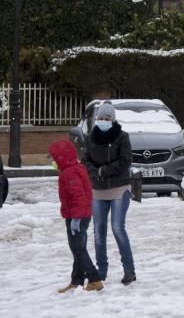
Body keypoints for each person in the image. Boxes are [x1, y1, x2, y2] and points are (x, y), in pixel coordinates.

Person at [83, 101, 136, 285]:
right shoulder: (91, 138)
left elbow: (125, 160)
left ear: (113, 120)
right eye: (101, 118)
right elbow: (86, 160)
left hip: (119, 187)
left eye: (107, 118)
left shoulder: (122, 137)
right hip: (97, 190)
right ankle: (101, 271)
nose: (104, 121)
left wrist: (104, 171)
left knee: (117, 228)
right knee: (98, 231)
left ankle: (129, 270)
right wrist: (94, 172)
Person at [48, 139, 104, 293]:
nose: (53, 161)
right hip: (81, 214)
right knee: (78, 248)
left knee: (78, 249)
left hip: (76, 216)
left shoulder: (69, 173)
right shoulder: (76, 168)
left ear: (61, 157)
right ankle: (76, 280)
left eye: (54, 158)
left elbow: (79, 196)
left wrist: (76, 219)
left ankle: (94, 279)